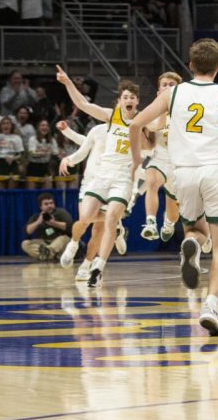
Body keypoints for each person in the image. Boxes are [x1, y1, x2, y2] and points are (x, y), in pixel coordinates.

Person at [130, 39, 218, 335]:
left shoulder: (173, 93)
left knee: (196, 231)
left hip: (182, 173)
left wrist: (137, 162)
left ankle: (192, 247)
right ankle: (210, 306)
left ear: (189, 66)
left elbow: (135, 124)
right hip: (216, 172)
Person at [55, 68, 139, 288]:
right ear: (119, 101)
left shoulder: (141, 121)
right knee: (85, 218)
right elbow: (83, 105)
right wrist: (67, 83)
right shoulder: (109, 120)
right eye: (125, 97)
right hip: (99, 177)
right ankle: (80, 242)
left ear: (137, 101)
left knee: (106, 222)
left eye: (132, 97)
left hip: (122, 177)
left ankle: (95, 267)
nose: (128, 100)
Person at [56, 120, 115, 283]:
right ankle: (73, 244)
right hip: (90, 183)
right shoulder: (99, 130)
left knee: (98, 230)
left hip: (110, 183)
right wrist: (66, 131)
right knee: (85, 219)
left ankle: (86, 265)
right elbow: (83, 141)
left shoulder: (128, 132)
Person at [138, 71, 184, 243]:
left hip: (179, 163)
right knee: (151, 180)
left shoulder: (186, 111)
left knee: (173, 211)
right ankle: (150, 223)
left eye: (171, 85)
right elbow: (157, 128)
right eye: (164, 85)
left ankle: (168, 223)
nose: (167, 87)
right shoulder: (151, 111)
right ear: (158, 91)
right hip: (160, 159)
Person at [22, 193, 74, 261]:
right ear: (41, 207)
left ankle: (47, 253)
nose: (49, 206)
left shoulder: (61, 212)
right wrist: (38, 222)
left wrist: (54, 223)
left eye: (51, 203)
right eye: (46, 204)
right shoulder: (37, 216)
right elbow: (27, 231)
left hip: (59, 242)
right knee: (25, 244)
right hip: (44, 242)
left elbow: (72, 228)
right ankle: (52, 255)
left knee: (64, 238)